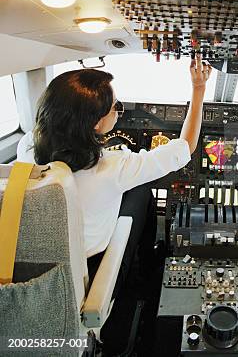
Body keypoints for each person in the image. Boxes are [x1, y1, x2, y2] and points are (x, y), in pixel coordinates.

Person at [16, 56, 212, 296]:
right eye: (116, 107)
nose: (120, 112)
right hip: (90, 270)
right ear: (97, 123)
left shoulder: (26, 148)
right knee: (140, 189)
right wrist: (199, 88)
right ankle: (146, 269)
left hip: (28, 268)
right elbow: (186, 146)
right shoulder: (114, 167)